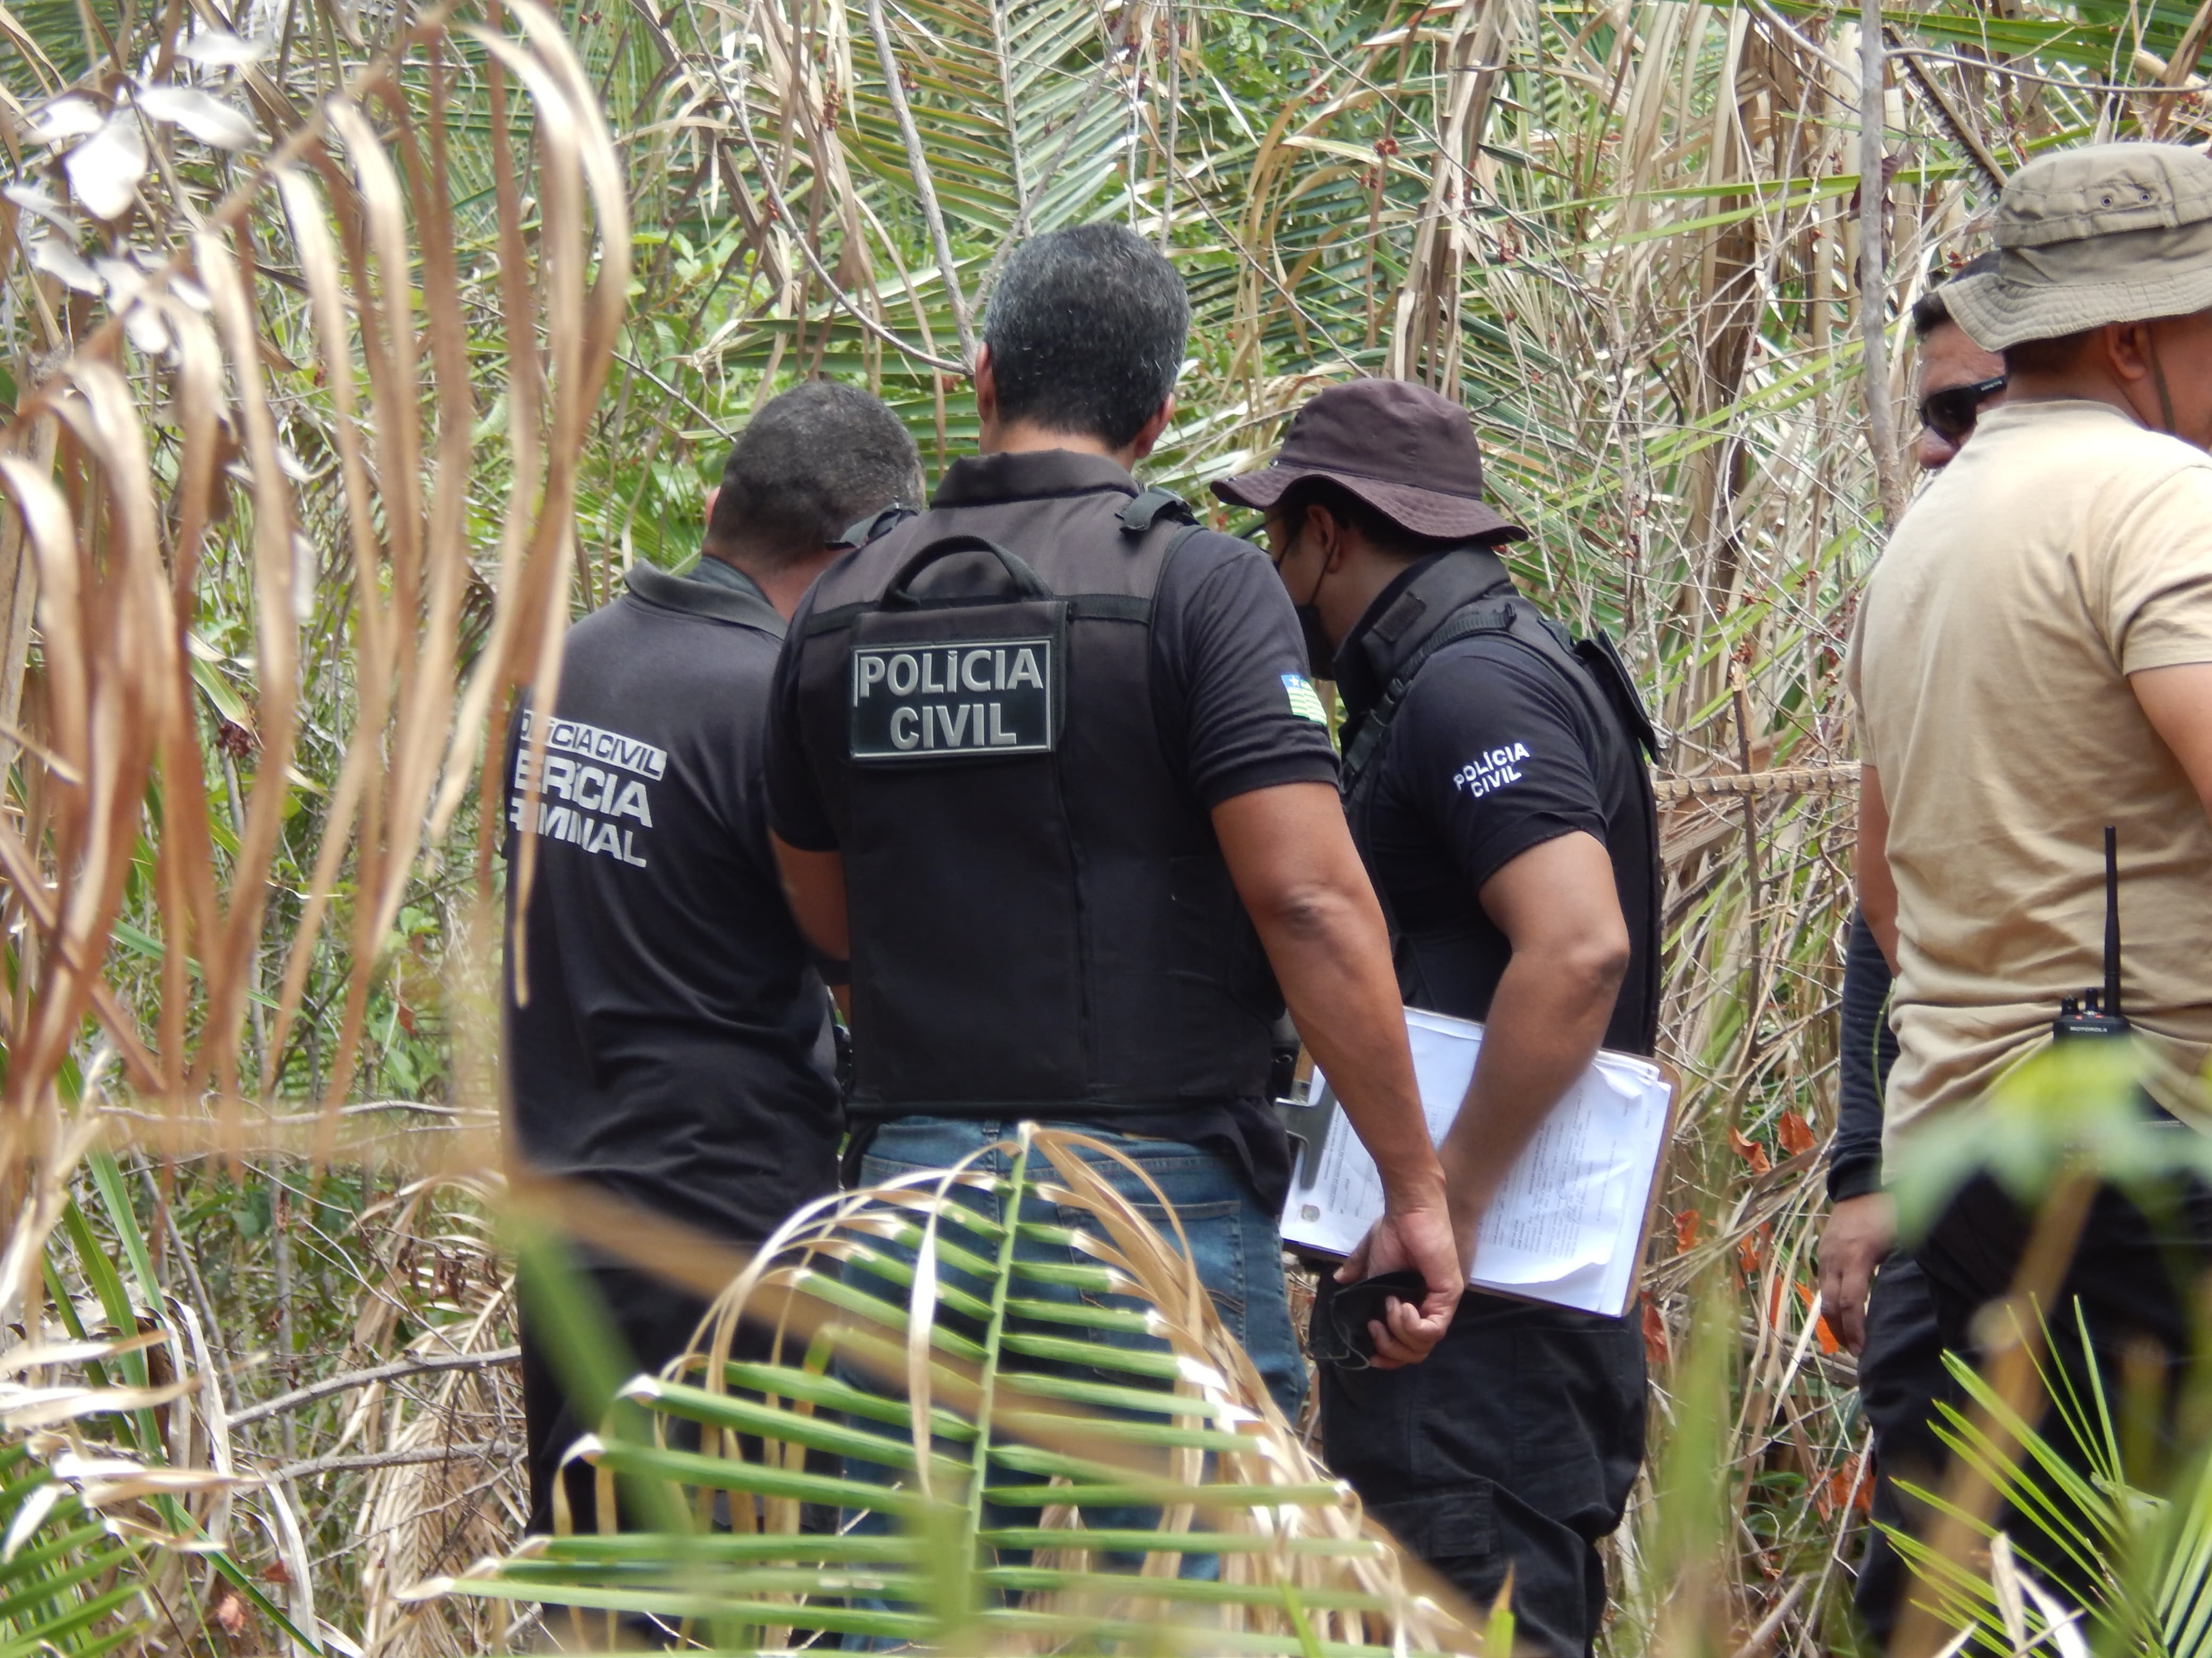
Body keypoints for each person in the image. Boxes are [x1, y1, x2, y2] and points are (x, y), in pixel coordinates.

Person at [763, 223, 1466, 1433]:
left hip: (909, 1187)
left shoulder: (839, 608)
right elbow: (1307, 900)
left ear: (981, 377)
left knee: (911, 1602)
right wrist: (1413, 1187)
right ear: (1155, 415)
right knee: (1197, 1594)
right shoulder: (1199, 587)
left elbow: (826, 916)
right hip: (1152, 1184)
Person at [1216, 377, 1661, 1658]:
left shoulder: (1472, 692)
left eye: (1274, 538)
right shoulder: (1461, 678)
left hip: (1487, 1311)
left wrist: (1444, 1202)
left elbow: (1577, 948)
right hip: (1475, 1309)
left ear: (1328, 534)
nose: (1270, 571)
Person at [1849, 142, 2212, 1610]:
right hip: (2149, 1146)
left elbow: (1884, 891)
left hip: (1973, 1163)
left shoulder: (1925, 539)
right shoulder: (2158, 504)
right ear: (2136, 338)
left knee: (2069, 1592)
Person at [503, 382, 924, 1539]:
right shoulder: (769, 705)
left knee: (592, 1583)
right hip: (715, 1236)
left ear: (715, 507)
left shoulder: (566, 664)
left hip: (565, 1216)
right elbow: (859, 966)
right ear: (861, 550)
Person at [1816, 251, 2004, 1647]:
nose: (1933, 450)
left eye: (1966, 410)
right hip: (1952, 1208)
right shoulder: (1921, 593)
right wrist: (1864, 1168)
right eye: (1926, 417)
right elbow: (1889, 909)